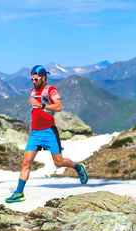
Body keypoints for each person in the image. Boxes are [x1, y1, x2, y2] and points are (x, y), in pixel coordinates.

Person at [5, 65, 89, 203]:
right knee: (26, 162)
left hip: (49, 131)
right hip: (35, 133)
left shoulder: (51, 90)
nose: (33, 81)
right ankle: (19, 193)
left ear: (43, 77)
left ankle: (78, 167)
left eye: (36, 79)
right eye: (31, 79)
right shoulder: (33, 91)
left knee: (59, 162)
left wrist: (41, 105)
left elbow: (59, 107)